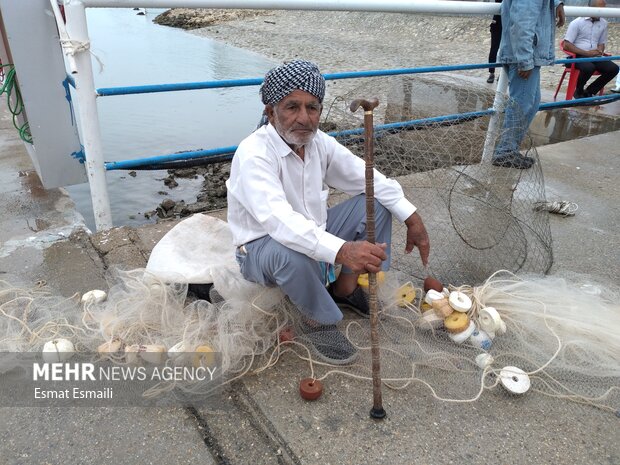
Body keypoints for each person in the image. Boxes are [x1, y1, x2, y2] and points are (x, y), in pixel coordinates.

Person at [226, 60, 430, 365]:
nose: (304, 119)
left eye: (313, 108)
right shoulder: (255, 154)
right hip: (261, 248)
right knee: (291, 253)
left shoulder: (320, 143)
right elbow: (280, 223)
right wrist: (344, 250)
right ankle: (315, 320)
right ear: (271, 112)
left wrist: (413, 219)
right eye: (292, 107)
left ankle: (345, 289)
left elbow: (367, 177)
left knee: (376, 202)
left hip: (314, 234)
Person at [493, 0, 565, 169]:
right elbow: (522, 23)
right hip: (523, 56)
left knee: (530, 104)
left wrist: (557, 4)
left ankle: (509, 149)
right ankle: (504, 151)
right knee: (522, 104)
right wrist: (524, 60)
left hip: (528, 55)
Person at [563, 0, 619, 99]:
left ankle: (590, 91)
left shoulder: (603, 23)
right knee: (588, 67)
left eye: (603, 9)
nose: (601, 12)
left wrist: (600, 50)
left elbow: (601, 43)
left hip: (594, 56)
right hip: (577, 56)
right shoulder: (577, 22)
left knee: (613, 69)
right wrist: (586, 53)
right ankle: (579, 92)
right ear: (590, 8)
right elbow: (566, 45)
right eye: (599, 9)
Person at [487, 0, 502, 84]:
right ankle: (491, 73)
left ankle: (503, 74)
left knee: (506, 50)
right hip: (497, 22)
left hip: (508, 22)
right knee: (493, 49)